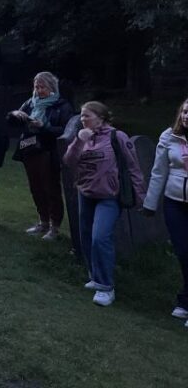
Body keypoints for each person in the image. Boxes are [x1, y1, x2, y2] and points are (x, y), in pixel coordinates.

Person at [63, 101, 145, 306]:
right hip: (86, 193)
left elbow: (133, 168)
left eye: (87, 116)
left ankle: (106, 288)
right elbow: (69, 161)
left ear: (101, 117)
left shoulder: (117, 137)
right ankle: (95, 276)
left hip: (109, 196)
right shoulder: (83, 137)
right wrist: (79, 142)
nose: (83, 120)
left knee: (100, 237)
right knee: (86, 237)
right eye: (81, 116)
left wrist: (142, 198)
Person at [8, 71, 74, 241]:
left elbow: (66, 130)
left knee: (51, 188)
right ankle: (43, 221)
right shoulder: (30, 103)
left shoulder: (61, 105)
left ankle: (55, 226)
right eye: (36, 86)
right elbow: (12, 121)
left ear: (51, 87)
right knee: (35, 187)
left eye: (42, 86)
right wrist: (15, 115)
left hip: (48, 150)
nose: (38, 90)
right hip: (29, 149)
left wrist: (43, 126)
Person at [142, 97, 188, 324]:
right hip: (175, 202)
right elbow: (159, 171)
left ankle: (185, 301)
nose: (187, 116)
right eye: (185, 112)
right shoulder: (169, 137)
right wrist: (150, 203)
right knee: (183, 251)